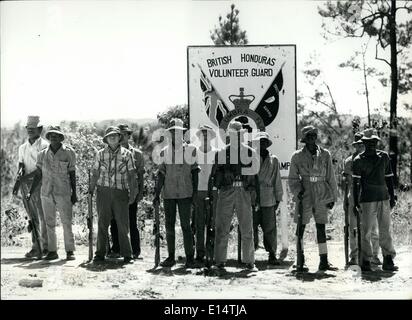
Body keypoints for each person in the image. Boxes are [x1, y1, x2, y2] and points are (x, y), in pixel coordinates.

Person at [288, 125, 339, 271]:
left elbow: (331, 177)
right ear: (304, 139)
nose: (311, 137)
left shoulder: (325, 154)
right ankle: (300, 260)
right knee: (301, 226)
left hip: (322, 190)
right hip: (305, 191)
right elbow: (292, 178)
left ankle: (324, 260)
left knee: (321, 227)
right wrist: (298, 191)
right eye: (308, 136)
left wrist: (332, 197)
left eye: (313, 135)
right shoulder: (297, 156)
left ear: (316, 137)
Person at [212, 121, 259, 273]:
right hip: (226, 191)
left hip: (243, 191)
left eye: (239, 134)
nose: (236, 137)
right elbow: (215, 175)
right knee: (222, 227)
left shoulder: (250, 152)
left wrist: (253, 194)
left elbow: (255, 175)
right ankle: (219, 261)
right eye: (233, 134)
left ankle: (250, 262)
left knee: (247, 228)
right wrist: (224, 174)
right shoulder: (221, 152)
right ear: (229, 135)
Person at [153, 118, 199, 268]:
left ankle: (190, 258)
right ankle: (171, 257)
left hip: (186, 193)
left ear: (183, 133)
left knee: (186, 225)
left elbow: (195, 172)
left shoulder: (191, 149)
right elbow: (161, 174)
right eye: (173, 132)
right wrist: (156, 194)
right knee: (169, 225)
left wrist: (196, 192)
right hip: (169, 193)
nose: (175, 134)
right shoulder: (165, 152)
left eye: (178, 132)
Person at [27, 125, 77, 261]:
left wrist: (74, 193)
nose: (53, 137)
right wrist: (31, 191)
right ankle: (52, 251)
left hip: (63, 192)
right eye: (51, 135)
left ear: (61, 137)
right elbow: (38, 174)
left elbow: (72, 173)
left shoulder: (69, 152)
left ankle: (70, 250)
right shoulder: (42, 154)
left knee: (66, 221)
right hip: (46, 192)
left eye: (56, 135)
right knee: (49, 223)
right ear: (48, 138)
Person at [89, 126, 138, 264]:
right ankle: (100, 254)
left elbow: (132, 175)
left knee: (123, 224)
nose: (112, 138)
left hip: (121, 192)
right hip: (103, 192)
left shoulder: (127, 154)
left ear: (119, 137)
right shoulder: (99, 154)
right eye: (110, 136)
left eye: (115, 136)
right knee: (102, 223)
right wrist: (90, 190)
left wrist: (133, 193)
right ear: (106, 139)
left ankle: (127, 254)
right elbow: (95, 173)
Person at [352, 128, 398, 272]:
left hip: (383, 198)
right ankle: (366, 259)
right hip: (367, 200)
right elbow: (355, 184)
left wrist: (392, 196)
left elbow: (389, 178)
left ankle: (388, 258)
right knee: (366, 230)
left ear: (377, 142)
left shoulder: (384, 157)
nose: (371, 144)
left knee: (385, 229)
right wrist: (355, 202)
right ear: (363, 143)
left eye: (374, 141)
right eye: (368, 142)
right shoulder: (358, 160)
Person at [343, 132, 381, 266]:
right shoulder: (349, 161)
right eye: (358, 145)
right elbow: (347, 183)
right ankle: (354, 256)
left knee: (373, 228)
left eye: (362, 144)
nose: (360, 147)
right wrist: (346, 202)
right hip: (354, 196)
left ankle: (374, 255)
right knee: (353, 228)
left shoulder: (372, 158)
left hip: (369, 196)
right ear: (355, 146)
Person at [14, 116, 49, 258]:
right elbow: (21, 165)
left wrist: (25, 178)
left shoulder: (44, 146)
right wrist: (18, 182)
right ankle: (36, 247)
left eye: (33, 129)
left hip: (42, 184)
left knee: (43, 217)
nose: (30, 131)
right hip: (26, 185)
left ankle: (46, 248)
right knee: (32, 218)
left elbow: (41, 170)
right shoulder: (23, 147)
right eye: (28, 129)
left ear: (40, 129)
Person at [109, 124, 145, 259]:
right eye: (119, 134)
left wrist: (140, 192)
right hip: (115, 190)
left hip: (130, 191)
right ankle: (116, 248)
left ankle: (135, 250)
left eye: (125, 134)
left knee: (131, 221)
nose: (122, 137)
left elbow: (140, 175)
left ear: (129, 136)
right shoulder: (112, 151)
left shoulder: (137, 154)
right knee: (114, 221)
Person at [252, 132, 283, 266]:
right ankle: (249, 254)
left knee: (270, 227)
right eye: (260, 141)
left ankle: (272, 253)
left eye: (264, 141)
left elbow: (277, 179)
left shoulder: (273, 159)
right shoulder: (250, 157)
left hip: (269, 195)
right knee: (251, 226)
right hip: (253, 196)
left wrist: (278, 197)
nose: (262, 144)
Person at [193, 124, 218, 264]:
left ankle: (211, 252)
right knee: (199, 223)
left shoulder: (216, 152)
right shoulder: (194, 152)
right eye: (202, 134)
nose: (205, 136)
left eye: (208, 134)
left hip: (213, 191)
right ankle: (200, 253)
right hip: (198, 191)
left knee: (212, 222)